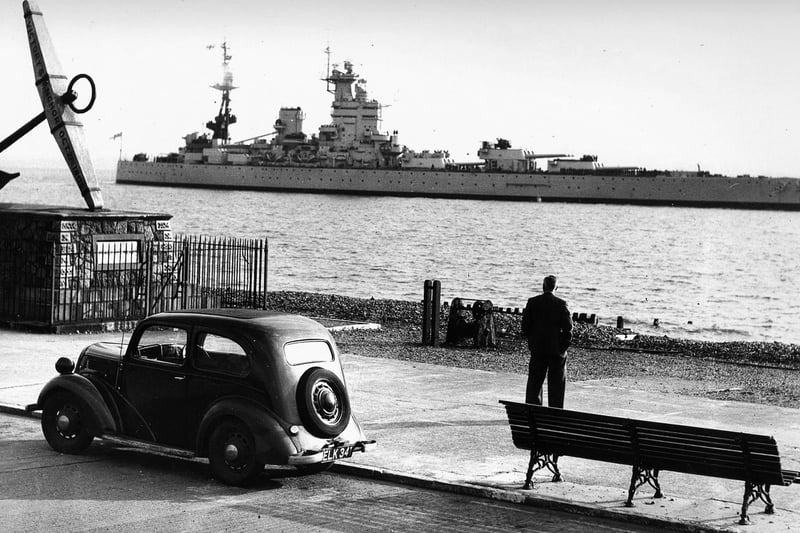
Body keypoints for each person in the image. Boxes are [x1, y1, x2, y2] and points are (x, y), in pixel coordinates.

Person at [521, 275, 573, 408]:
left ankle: (534, 409)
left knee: (535, 382)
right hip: (555, 350)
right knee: (557, 383)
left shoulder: (532, 302)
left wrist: (532, 342)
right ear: (556, 287)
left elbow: (525, 327)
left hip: (538, 348)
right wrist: (562, 347)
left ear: (543, 286)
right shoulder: (561, 304)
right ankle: (555, 410)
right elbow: (568, 330)